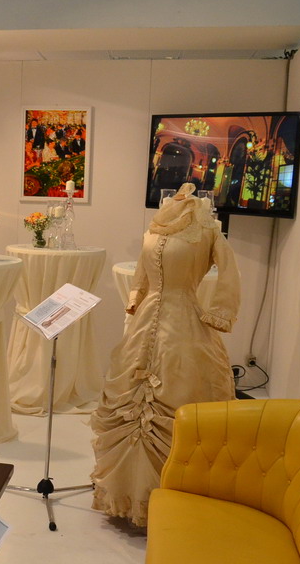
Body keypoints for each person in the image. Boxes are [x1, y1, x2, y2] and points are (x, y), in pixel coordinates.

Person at [90, 182, 240, 527]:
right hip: (146, 320)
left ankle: (173, 496)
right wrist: (136, 296)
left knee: (179, 392)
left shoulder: (207, 228)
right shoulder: (157, 224)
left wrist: (220, 312)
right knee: (130, 402)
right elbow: (142, 272)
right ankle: (125, 493)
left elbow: (230, 272)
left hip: (185, 323)